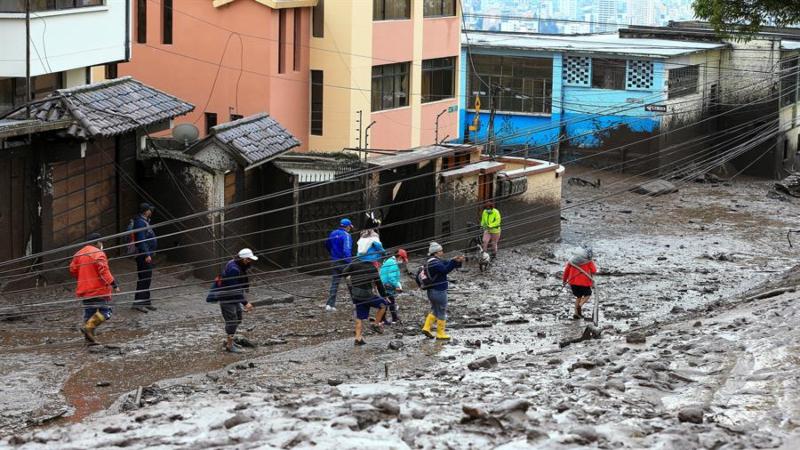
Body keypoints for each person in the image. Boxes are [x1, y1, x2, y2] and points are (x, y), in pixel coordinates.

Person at [69, 232, 119, 345]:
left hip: (84, 290)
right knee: (106, 312)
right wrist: (114, 284)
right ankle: (88, 328)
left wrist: (84, 276)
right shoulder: (98, 254)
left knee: (89, 313)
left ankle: (89, 340)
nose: (102, 244)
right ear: (97, 243)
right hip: (99, 290)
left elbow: (72, 270)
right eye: (101, 242)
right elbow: (104, 272)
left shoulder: (78, 254)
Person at [213, 248, 258, 353]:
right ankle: (229, 345)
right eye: (249, 259)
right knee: (232, 321)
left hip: (233, 297)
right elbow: (234, 289)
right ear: (244, 259)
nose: (250, 262)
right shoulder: (234, 269)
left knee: (238, 318)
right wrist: (245, 303)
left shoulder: (236, 264)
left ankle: (230, 340)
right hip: (227, 297)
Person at [421, 242, 464, 340]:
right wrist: (453, 262)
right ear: (435, 253)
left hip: (431, 291)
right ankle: (440, 333)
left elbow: (447, 263)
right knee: (442, 310)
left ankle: (426, 327)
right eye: (441, 251)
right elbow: (445, 269)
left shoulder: (430, 261)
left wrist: (455, 261)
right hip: (439, 291)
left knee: (435, 309)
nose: (442, 252)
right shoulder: (435, 263)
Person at [343, 259, 388, 346]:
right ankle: (375, 325)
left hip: (356, 296)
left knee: (359, 318)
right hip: (367, 296)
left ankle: (358, 338)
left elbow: (343, 273)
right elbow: (379, 284)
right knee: (383, 305)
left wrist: (351, 278)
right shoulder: (372, 267)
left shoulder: (354, 263)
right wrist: (385, 296)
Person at [132, 202, 157, 312]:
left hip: (147, 254)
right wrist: (146, 254)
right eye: (149, 210)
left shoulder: (144, 221)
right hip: (143, 255)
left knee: (147, 278)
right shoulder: (140, 223)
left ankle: (146, 301)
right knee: (144, 278)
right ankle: (138, 303)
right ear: (146, 211)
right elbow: (141, 240)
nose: (151, 212)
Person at [324, 218, 354, 311]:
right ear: (348, 226)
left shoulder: (333, 233)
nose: (350, 228)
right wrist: (350, 263)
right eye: (350, 227)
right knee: (351, 282)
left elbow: (327, 244)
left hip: (334, 261)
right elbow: (346, 250)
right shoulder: (346, 235)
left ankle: (329, 305)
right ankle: (357, 303)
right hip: (344, 263)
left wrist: (332, 254)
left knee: (334, 283)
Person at [562, 247, 598, 320]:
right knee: (588, 294)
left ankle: (576, 313)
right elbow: (594, 271)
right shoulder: (588, 261)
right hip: (584, 282)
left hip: (573, 282)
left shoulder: (572, 260)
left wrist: (564, 280)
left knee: (578, 296)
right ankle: (580, 305)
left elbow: (566, 271)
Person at [379, 248, 408, 325]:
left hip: (383, 285)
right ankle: (387, 319)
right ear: (399, 257)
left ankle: (391, 318)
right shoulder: (393, 264)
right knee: (389, 302)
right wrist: (397, 286)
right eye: (402, 259)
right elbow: (391, 277)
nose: (402, 261)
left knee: (388, 302)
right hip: (387, 286)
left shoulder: (389, 261)